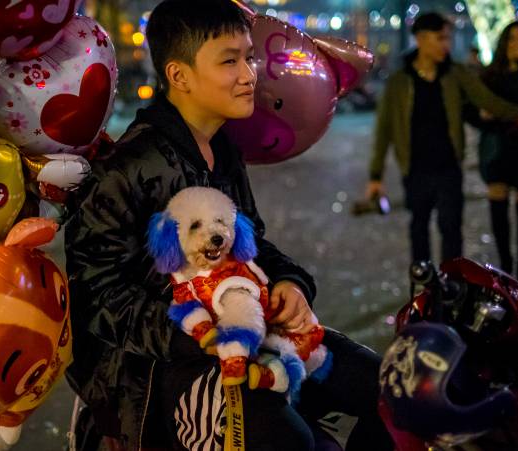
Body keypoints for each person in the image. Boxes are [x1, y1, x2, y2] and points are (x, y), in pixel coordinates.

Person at [63, 1, 394, 450]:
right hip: (158, 372)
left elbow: (251, 242)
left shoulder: (224, 150)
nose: (249, 74)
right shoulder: (129, 168)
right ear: (179, 76)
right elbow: (96, 295)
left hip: (251, 331)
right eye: (229, 60)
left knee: (391, 391)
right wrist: (195, 332)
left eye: (249, 56)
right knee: (288, 440)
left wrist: (291, 283)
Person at [368, 12, 518, 265]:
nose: (447, 44)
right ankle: (424, 287)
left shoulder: (455, 74)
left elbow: (487, 100)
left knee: (451, 230)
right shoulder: (400, 81)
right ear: (421, 39)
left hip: (449, 168)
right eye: (441, 38)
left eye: (448, 38)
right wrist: (375, 177)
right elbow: (384, 129)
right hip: (416, 169)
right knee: (419, 228)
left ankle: (451, 287)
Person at [467, 22, 518, 287]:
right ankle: (506, 268)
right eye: (512, 39)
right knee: (498, 208)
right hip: (498, 149)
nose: (517, 44)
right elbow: (473, 111)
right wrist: (495, 122)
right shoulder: (491, 75)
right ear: (503, 43)